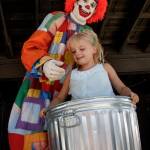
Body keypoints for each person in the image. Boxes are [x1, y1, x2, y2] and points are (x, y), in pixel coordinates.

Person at [8, 0, 108, 149]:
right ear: (74, 2)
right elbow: (31, 47)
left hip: (66, 94)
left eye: (93, 5)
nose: (88, 6)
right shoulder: (57, 18)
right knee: (27, 133)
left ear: (96, 11)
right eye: (85, 1)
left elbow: (93, 68)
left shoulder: (90, 34)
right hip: (38, 87)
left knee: (63, 140)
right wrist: (44, 64)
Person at [40, 30, 139, 117]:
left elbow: (121, 88)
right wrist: (50, 109)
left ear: (94, 49)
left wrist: (130, 95)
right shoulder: (71, 75)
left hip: (108, 116)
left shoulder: (105, 68)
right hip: (80, 121)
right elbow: (60, 97)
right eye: (74, 52)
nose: (77, 53)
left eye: (82, 49)